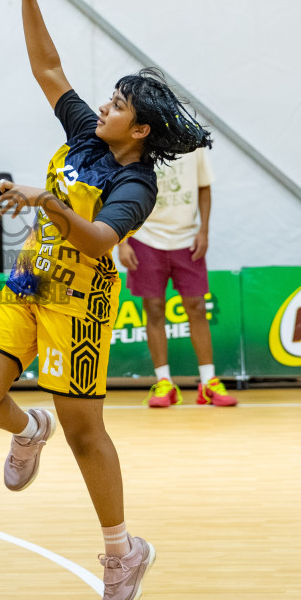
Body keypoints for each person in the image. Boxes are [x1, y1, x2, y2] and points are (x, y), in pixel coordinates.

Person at [0, 0, 210, 600]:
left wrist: (49, 205)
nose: (104, 105)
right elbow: (47, 69)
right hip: (28, 281)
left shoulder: (138, 185)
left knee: (86, 433)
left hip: (82, 304)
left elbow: (99, 239)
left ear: (141, 130)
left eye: (119, 105)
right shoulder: (81, 133)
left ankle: (123, 551)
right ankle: (24, 425)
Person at [118, 145, 233, 406]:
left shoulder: (194, 142)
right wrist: (122, 241)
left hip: (187, 237)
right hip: (144, 237)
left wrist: (204, 230)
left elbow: (204, 186)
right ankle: (164, 383)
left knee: (197, 306)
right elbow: (117, 191)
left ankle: (208, 382)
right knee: (154, 308)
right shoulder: (138, 137)